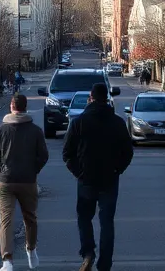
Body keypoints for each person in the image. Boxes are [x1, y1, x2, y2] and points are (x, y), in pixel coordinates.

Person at [63, 82, 134, 271]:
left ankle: (88, 252)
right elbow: (128, 152)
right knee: (106, 222)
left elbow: (67, 153)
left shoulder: (79, 122)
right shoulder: (117, 122)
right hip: (109, 179)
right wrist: (117, 169)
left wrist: (78, 172)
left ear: (91, 98)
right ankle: (105, 264)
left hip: (86, 179)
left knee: (84, 217)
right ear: (107, 99)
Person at [0, 93, 49, 271]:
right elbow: (43, 155)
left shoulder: (0, 130)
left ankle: (7, 260)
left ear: (11, 107)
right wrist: (33, 169)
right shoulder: (35, 131)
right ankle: (31, 249)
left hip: (5, 181)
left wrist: (0, 167)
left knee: (5, 220)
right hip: (28, 181)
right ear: (25, 107)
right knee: (30, 218)